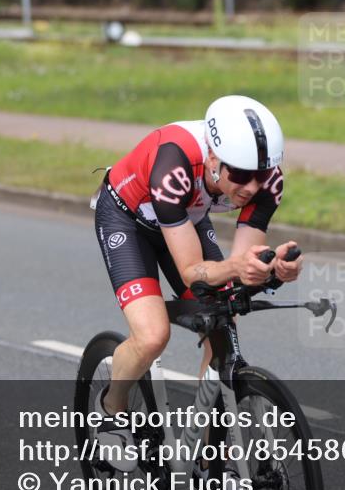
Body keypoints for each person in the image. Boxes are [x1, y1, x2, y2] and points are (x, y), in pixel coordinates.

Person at [92, 95, 301, 426]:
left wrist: (273, 267)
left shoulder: (268, 183)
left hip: (185, 217)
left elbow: (243, 266)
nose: (251, 186)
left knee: (222, 327)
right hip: (128, 220)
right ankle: (110, 410)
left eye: (260, 174)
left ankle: (209, 454)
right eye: (242, 174)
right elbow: (193, 273)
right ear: (214, 158)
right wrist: (236, 268)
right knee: (152, 336)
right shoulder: (173, 164)